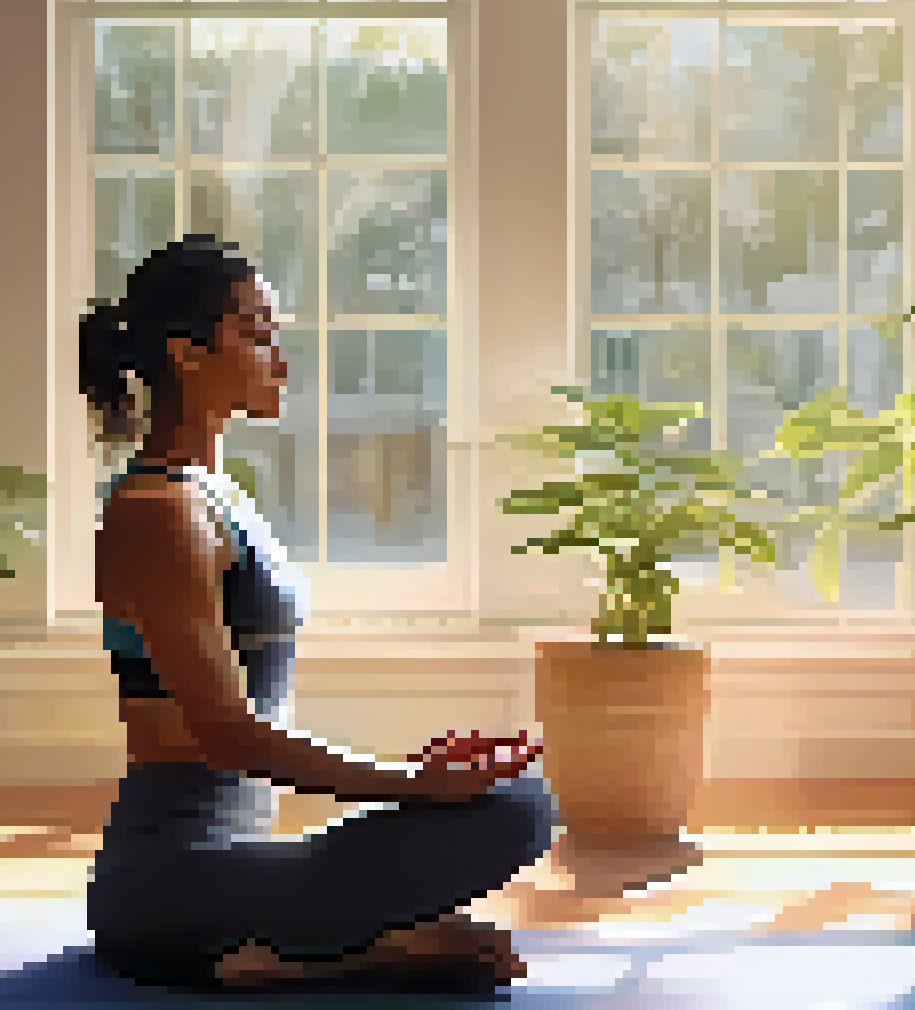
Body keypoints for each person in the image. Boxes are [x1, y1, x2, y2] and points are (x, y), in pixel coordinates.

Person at [79, 234, 558, 992]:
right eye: (258, 334)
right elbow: (227, 735)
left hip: (239, 858)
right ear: (187, 353)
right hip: (168, 882)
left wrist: (430, 777)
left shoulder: (212, 492)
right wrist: (414, 787)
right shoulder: (159, 513)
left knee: (518, 796)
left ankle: (305, 943)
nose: (281, 359)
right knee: (508, 816)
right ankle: (309, 950)